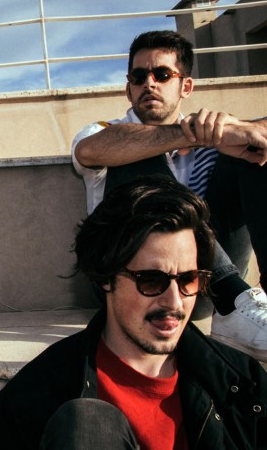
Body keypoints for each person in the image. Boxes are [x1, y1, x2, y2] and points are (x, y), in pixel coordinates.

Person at [0, 175, 267, 449]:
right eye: (151, 280)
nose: (174, 301)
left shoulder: (244, 384)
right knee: (88, 426)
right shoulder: (37, 394)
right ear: (106, 277)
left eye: (188, 279)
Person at [71, 30, 267, 360]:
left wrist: (242, 131)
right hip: (132, 283)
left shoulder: (216, 133)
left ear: (185, 86)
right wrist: (193, 134)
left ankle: (242, 306)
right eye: (138, 77)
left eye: (162, 75)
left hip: (201, 283)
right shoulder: (104, 131)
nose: (149, 83)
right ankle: (233, 298)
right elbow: (89, 150)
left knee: (252, 150)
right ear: (128, 89)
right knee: (135, 149)